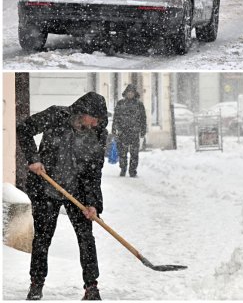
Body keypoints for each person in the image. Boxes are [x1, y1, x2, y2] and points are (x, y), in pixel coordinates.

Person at [18, 92, 108, 301]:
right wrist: (33, 159)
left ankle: (91, 287)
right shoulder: (55, 115)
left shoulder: (98, 134)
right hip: (46, 187)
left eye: (99, 120)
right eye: (94, 118)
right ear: (82, 113)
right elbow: (24, 129)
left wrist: (93, 204)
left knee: (86, 238)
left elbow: (95, 172)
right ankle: (36, 284)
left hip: (78, 191)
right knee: (42, 238)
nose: (96, 123)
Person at [112, 84, 147, 178]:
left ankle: (132, 170)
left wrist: (143, 130)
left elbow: (143, 118)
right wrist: (114, 129)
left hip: (135, 132)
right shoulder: (120, 103)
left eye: (132, 92)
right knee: (122, 152)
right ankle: (123, 169)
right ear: (126, 93)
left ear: (135, 94)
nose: (130, 94)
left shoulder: (139, 105)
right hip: (122, 132)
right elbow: (116, 117)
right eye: (128, 92)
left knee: (134, 153)